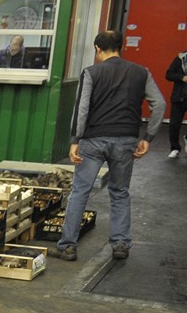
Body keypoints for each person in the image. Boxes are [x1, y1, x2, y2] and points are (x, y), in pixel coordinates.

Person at [50, 31, 166, 262]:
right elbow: (160, 104)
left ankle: (68, 246)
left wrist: (75, 140)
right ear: (120, 47)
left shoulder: (91, 72)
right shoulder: (141, 72)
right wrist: (148, 137)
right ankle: (120, 244)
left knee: (80, 192)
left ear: (97, 48)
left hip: (93, 140)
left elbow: (82, 109)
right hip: (125, 140)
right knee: (120, 192)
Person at [166, 47, 187, 158]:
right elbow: (168, 75)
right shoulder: (180, 58)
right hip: (179, 97)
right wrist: (182, 78)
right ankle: (175, 148)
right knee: (174, 124)